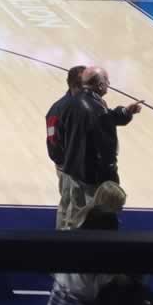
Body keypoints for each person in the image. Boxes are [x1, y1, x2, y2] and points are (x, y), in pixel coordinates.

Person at [59, 68, 141, 217]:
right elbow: (105, 149)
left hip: (74, 169)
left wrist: (126, 112)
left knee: (77, 212)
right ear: (101, 85)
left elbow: (109, 116)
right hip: (94, 176)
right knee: (100, 214)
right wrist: (111, 175)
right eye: (107, 82)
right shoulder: (97, 110)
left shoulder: (71, 102)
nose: (109, 84)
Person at [47, 64, 90, 229]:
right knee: (69, 203)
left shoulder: (87, 103)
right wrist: (63, 162)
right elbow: (52, 139)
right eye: (87, 84)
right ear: (75, 86)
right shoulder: (59, 108)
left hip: (82, 164)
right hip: (68, 166)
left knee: (78, 204)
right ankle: (64, 239)